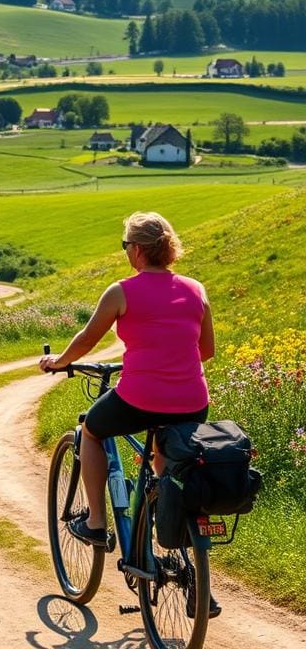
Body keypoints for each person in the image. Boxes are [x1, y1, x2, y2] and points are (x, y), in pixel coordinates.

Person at [39, 213, 216, 567]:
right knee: (164, 463)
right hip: (194, 402)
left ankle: (95, 522)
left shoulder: (121, 291)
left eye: (125, 246)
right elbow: (206, 351)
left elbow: (88, 339)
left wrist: (60, 361)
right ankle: (167, 546)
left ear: (136, 250)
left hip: (140, 399)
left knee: (91, 429)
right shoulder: (196, 289)